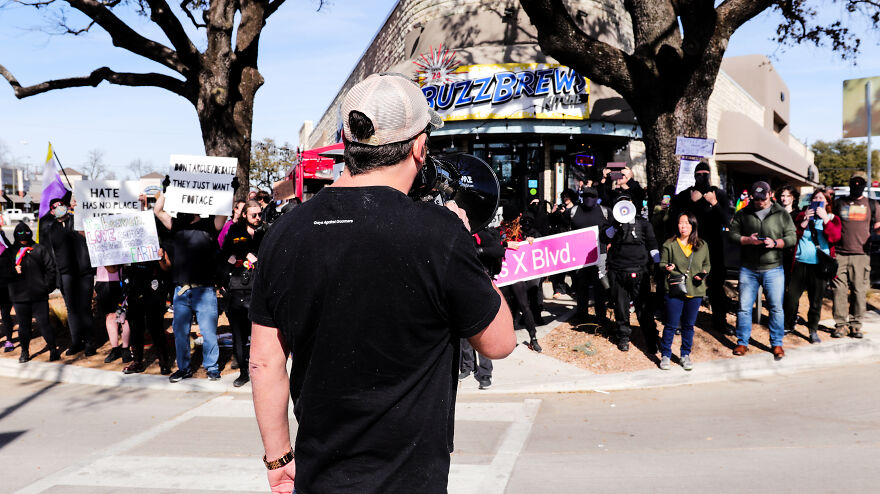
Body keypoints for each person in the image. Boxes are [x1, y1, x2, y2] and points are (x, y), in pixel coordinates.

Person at [248, 72, 515, 493]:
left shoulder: (285, 230)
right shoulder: (439, 234)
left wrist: (279, 458)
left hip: (319, 478)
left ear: (348, 141)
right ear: (419, 146)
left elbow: (264, 361)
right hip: (411, 480)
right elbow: (499, 343)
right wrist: (467, 247)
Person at [153, 193, 227, 382]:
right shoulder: (177, 225)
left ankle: (212, 367)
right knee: (180, 332)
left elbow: (224, 212)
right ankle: (184, 368)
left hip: (205, 290)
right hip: (181, 290)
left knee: (209, 331)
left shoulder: (209, 225)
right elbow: (157, 210)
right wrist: (166, 190)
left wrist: (229, 191)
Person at [728, 181, 796, 359]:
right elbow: (732, 235)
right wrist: (747, 240)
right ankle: (742, 342)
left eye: (763, 198)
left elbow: (791, 237)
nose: (760, 202)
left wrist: (775, 243)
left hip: (773, 268)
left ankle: (777, 343)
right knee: (743, 307)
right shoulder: (743, 212)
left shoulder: (780, 213)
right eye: (756, 199)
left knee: (775, 308)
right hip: (748, 268)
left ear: (770, 194)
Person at [668, 162, 733, 334]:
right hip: (692, 245)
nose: (702, 177)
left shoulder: (718, 194)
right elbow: (674, 217)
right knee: (686, 282)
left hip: (714, 247)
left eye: (706, 174)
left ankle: (719, 321)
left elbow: (727, 220)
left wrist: (714, 203)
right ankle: (681, 322)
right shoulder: (687, 194)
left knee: (716, 286)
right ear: (694, 175)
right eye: (699, 174)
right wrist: (692, 203)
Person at [602, 195, 660, 352]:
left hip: (639, 271)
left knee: (644, 307)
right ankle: (623, 337)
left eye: (628, 202)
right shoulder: (613, 224)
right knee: (621, 307)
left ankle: (651, 338)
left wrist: (657, 262)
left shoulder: (643, 224)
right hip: (618, 271)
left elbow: (652, 242)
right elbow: (603, 237)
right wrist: (616, 226)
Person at [40, 197, 97, 356]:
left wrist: (77, 210)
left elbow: (91, 231)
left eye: (61, 205)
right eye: (55, 207)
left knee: (85, 309)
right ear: (51, 211)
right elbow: (50, 255)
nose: (59, 208)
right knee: (72, 310)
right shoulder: (50, 229)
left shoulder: (78, 221)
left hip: (84, 273)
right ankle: (76, 342)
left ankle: (89, 343)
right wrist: (55, 278)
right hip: (65, 275)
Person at [784, 189, 841, 343]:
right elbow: (792, 235)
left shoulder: (832, 218)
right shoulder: (802, 215)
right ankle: (788, 325)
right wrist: (803, 222)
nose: (817, 200)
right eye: (815, 198)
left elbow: (835, 237)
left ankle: (813, 330)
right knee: (791, 298)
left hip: (819, 266)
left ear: (827, 202)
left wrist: (825, 221)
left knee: (815, 301)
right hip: (800, 263)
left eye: (821, 198)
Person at [220, 200, 264, 387]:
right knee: (239, 334)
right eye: (253, 215)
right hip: (237, 289)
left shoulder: (266, 231)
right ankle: (243, 372)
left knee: (260, 335)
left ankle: (260, 372)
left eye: (259, 214)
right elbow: (225, 254)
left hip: (259, 290)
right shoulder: (235, 231)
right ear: (245, 215)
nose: (257, 218)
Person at [659, 212, 710, 371]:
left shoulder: (702, 245)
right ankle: (666, 355)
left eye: (687, 223)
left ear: (693, 225)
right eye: (681, 223)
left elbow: (707, 265)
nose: (684, 226)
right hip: (675, 289)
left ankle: (685, 355)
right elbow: (661, 264)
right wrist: (667, 268)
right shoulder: (670, 244)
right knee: (671, 325)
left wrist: (702, 274)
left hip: (695, 290)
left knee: (688, 325)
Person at [831, 174, 880, 338]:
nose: (856, 186)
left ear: (864, 186)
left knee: (859, 292)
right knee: (839, 291)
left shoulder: (872, 204)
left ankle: (856, 325)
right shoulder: (839, 203)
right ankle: (840, 325)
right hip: (840, 254)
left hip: (861, 255)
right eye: (854, 184)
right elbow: (832, 223)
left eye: (859, 184)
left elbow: (878, 225)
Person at [6, 223, 59, 362]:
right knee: (24, 327)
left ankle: (53, 349)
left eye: (26, 237)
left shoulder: (39, 249)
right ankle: (24, 351)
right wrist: (13, 272)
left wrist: (45, 287)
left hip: (39, 296)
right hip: (19, 297)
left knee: (44, 323)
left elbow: (51, 269)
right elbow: (3, 273)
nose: (23, 240)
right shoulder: (10, 252)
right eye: (20, 238)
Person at [122, 246, 173, 375]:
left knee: (156, 327)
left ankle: (164, 363)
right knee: (135, 327)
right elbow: (112, 268)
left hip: (153, 287)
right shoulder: (124, 241)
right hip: (132, 287)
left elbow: (167, 267)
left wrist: (161, 258)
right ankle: (137, 362)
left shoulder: (155, 238)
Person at [499, 205, 542, 352]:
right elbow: (493, 244)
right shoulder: (500, 231)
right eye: (518, 217)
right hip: (503, 275)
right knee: (506, 308)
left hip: (516, 274)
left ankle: (533, 338)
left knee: (524, 305)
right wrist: (505, 244)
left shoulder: (520, 231)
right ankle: (506, 338)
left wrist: (529, 240)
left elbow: (525, 244)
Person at [568, 186, 611, 326]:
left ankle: (601, 317)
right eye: (586, 196)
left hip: (600, 254)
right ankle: (581, 315)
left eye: (592, 196)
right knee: (581, 286)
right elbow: (562, 226)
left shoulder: (605, 211)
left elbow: (613, 229)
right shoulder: (573, 211)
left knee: (600, 286)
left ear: (596, 198)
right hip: (580, 256)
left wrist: (609, 244)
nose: (588, 199)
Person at [96, 265, 132, 364]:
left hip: (124, 277)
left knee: (124, 315)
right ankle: (115, 349)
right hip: (103, 280)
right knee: (110, 316)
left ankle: (125, 348)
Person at [0, 230, 16, 353]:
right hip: (6, 284)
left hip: (5, 285)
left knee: (5, 315)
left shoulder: (5, 243)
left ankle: (9, 340)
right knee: (5, 315)